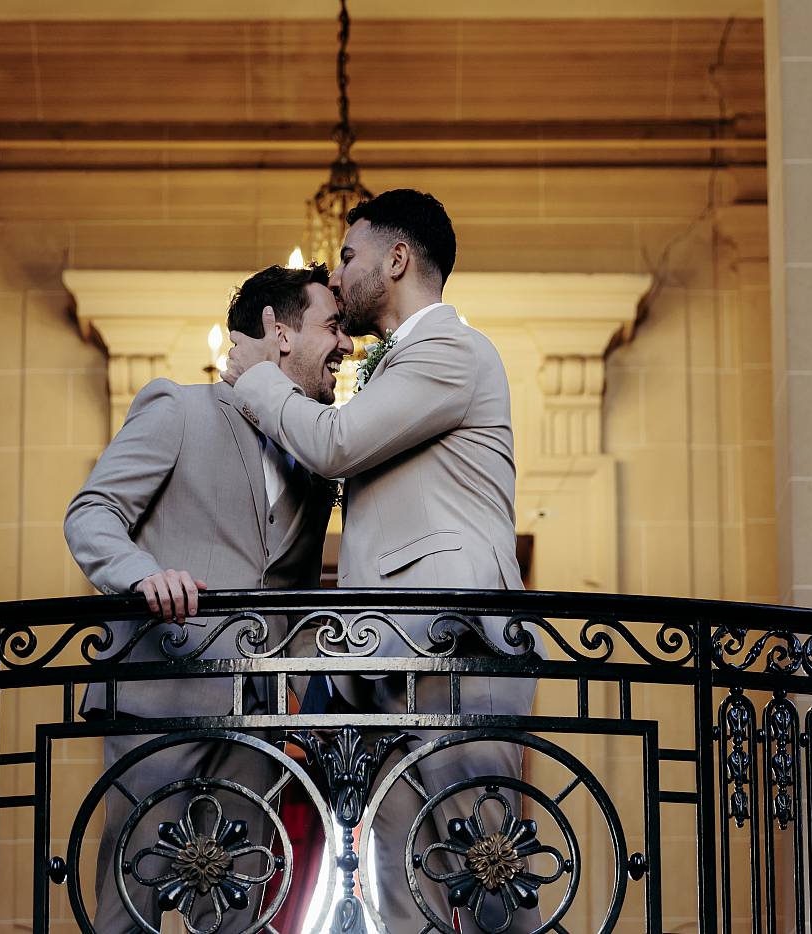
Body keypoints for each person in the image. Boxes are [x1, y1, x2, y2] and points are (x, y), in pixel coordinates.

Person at [223, 189, 540, 933]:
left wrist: (261, 378)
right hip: (389, 664)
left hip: (454, 655)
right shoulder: (399, 364)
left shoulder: (451, 349)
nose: (336, 277)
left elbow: (337, 443)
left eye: (348, 256)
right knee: (402, 888)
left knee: (487, 875)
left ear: (397, 260)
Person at [65, 262, 352, 933]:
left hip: (258, 720)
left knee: (238, 910)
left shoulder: (317, 462)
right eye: (332, 326)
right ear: (279, 332)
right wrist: (141, 574)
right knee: (132, 901)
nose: (345, 344)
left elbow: (299, 597)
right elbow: (92, 512)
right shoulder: (179, 408)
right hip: (163, 697)